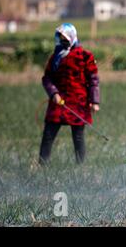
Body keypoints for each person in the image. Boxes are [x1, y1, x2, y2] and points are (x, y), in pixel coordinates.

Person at [39, 23, 100, 164]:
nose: (62, 41)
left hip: (79, 102)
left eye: (65, 38)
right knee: (48, 134)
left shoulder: (85, 56)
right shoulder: (55, 57)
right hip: (58, 102)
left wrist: (94, 101)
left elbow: (93, 79)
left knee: (78, 136)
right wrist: (53, 93)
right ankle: (42, 164)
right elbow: (47, 78)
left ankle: (81, 166)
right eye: (60, 38)